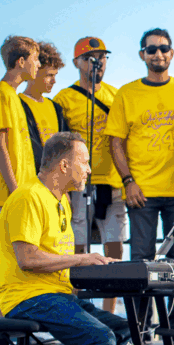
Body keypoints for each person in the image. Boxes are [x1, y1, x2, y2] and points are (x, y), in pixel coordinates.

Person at [0, 132, 130, 345]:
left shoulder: (59, 202)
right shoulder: (28, 197)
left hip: (56, 294)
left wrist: (105, 269)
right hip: (27, 297)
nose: (88, 170)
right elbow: (27, 259)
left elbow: (59, 263)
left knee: (127, 328)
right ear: (63, 164)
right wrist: (83, 258)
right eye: (84, 162)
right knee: (100, 337)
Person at [105, 28, 174, 263]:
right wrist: (128, 182)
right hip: (142, 192)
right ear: (142, 55)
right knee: (141, 258)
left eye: (163, 48)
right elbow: (115, 142)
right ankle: (143, 303)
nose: (158, 53)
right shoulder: (126, 93)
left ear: (172, 53)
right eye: (151, 49)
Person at [54, 38, 128, 286]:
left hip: (111, 181)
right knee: (76, 242)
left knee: (115, 244)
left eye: (102, 58)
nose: (97, 64)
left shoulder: (116, 95)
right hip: (76, 184)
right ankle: (76, 300)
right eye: (89, 59)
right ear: (76, 62)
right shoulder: (64, 98)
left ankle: (113, 306)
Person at [0, 35, 41, 317]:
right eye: (35, 59)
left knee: (12, 255)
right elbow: (0, 145)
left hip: (19, 190)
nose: (38, 65)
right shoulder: (2, 94)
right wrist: (16, 189)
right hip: (9, 191)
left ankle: (6, 317)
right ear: (21, 61)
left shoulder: (14, 97)